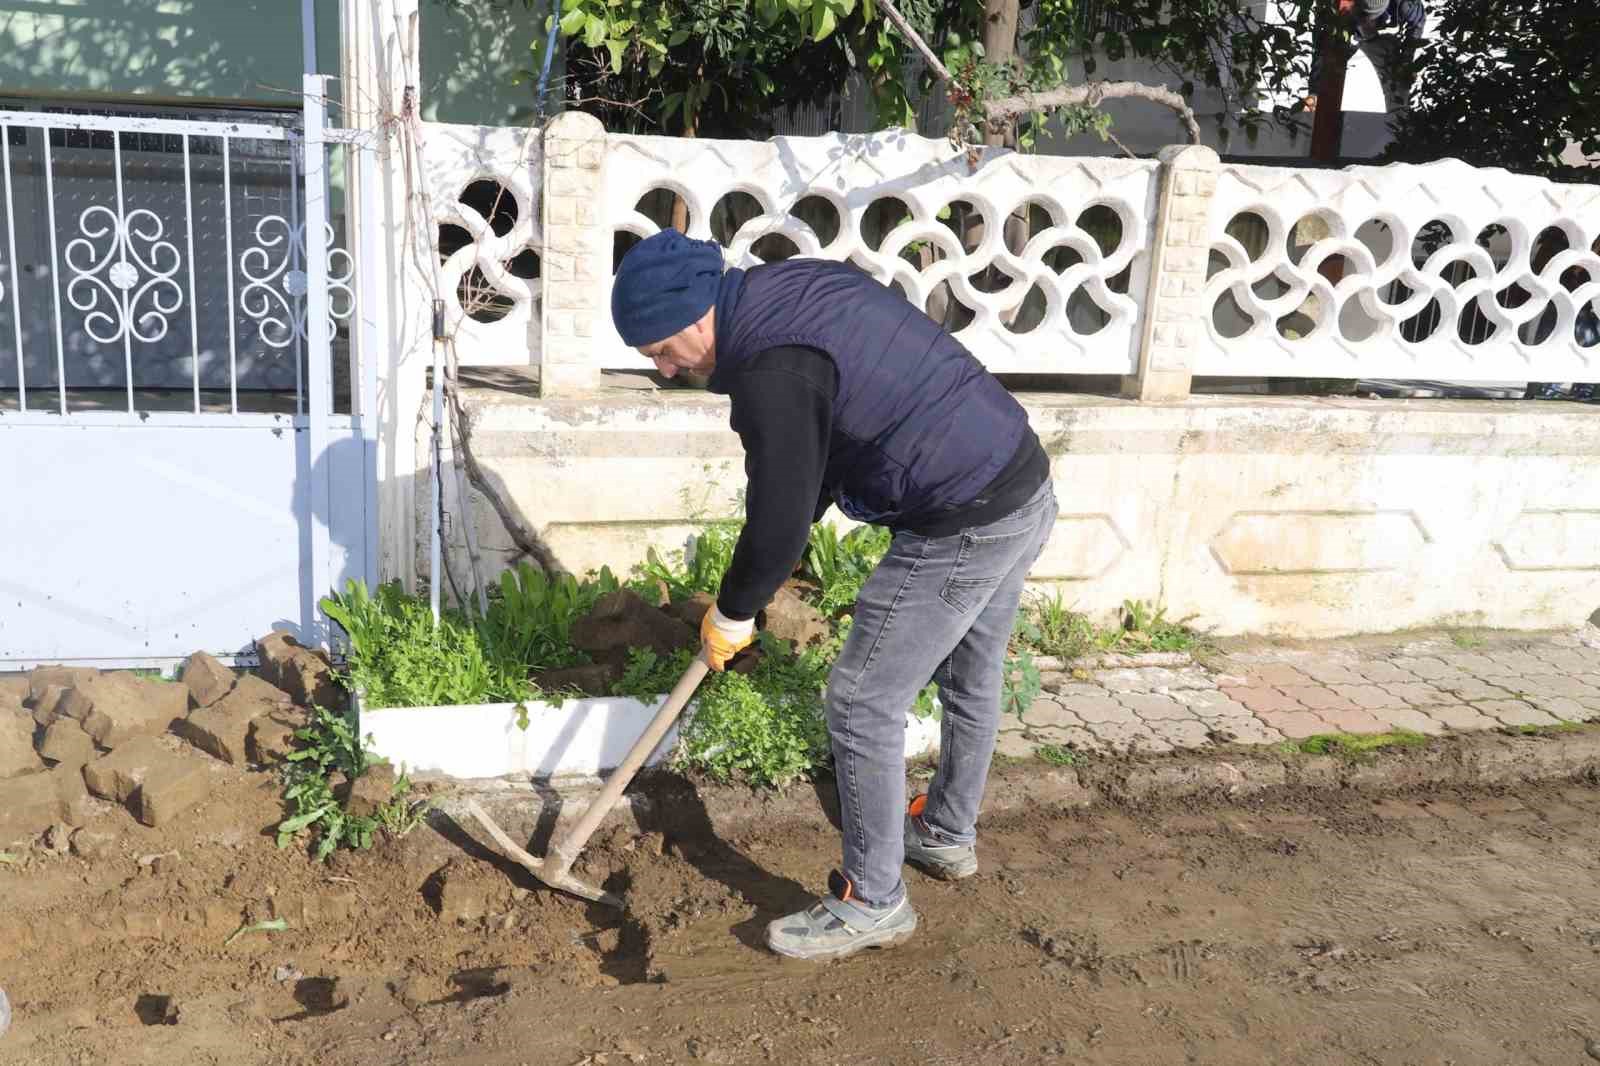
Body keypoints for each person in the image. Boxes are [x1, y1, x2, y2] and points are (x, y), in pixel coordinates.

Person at [610, 229, 1058, 961]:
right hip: (1016, 477)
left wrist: (732, 610)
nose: (664, 370)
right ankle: (944, 833)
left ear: (695, 318)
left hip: (961, 517)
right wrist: (749, 593)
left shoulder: (770, 370)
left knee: (861, 699)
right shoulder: (788, 291)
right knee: (973, 673)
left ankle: (874, 900)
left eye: (662, 350)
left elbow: (782, 511)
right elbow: (817, 454)